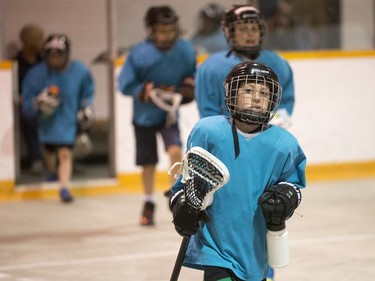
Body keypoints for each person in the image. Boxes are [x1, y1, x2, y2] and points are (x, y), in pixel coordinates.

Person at [169, 61, 306, 281]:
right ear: (232, 94)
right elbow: (182, 185)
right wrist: (182, 205)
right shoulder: (208, 132)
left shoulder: (284, 144)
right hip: (216, 249)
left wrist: (285, 197)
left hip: (254, 248)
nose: (256, 97)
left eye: (264, 92)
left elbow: (294, 185)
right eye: (249, 90)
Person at [118, 5, 196, 226]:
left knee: (175, 152)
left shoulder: (185, 49)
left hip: (168, 114)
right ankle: (149, 202)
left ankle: (176, 195)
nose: (166, 35)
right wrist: (147, 92)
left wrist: (183, 91)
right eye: (160, 30)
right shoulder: (139, 52)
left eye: (170, 30)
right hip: (143, 116)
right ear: (151, 30)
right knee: (148, 162)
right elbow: (124, 85)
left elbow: (190, 77)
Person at [195, 5, 295, 129]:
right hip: (226, 137)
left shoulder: (278, 63)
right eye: (242, 29)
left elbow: (284, 103)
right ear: (230, 33)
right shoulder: (211, 67)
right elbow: (208, 110)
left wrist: (276, 122)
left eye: (254, 29)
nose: (250, 34)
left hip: (265, 136)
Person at [22, 34, 95, 203]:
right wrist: (37, 103)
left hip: (68, 120)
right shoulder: (36, 74)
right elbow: (26, 104)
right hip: (47, 123)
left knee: (64, 153)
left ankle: (64, 188)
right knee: (49, 153)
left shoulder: (79, 70)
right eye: (51, 55)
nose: (55, 59)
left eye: (58, 55)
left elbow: (87, 92)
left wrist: (86, 108)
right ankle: (53, 172)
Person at [14, 24, 45, 174]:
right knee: (29, 116)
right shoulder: (15, 63)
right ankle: (36, 158)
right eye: (38, 39)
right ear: (27, 41)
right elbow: (12, 89)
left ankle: (64, 156)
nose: (41, 42)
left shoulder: (45, 62)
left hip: (46, 101)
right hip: (26, 103)